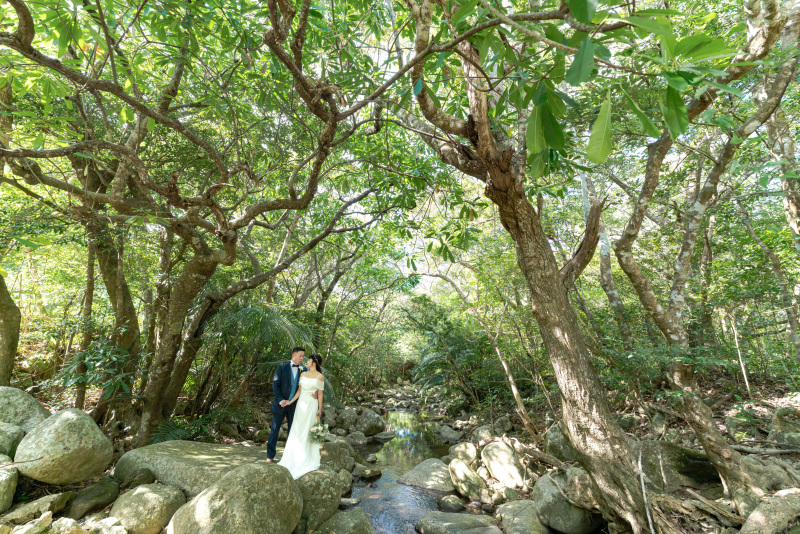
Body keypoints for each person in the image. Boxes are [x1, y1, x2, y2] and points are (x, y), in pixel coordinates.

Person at [277, 353, 325, 479]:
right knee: (297, 430)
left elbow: (320, 394)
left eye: (308, 360)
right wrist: (290, 402)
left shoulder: (320, 377)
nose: (306, 361)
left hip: (311, 405)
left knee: (307, 430)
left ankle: (306, 458)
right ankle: (293, 456)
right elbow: (299, 391)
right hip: (301, 405)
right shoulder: (303, 374)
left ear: (313, 362)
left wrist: (320, 409)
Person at [266, 347, 315, 462]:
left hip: (294, 406)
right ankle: (270, 456)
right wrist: (280, 400)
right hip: (280, 404)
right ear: (293, 355)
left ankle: (290, 457)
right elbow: (275, 385)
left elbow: (309, 385)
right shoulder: (282, 368)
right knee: (274, 430)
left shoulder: (303, 370)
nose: (302, 358)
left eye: (303, 356)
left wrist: (315, 393)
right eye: (300, 356)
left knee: (293, 431)